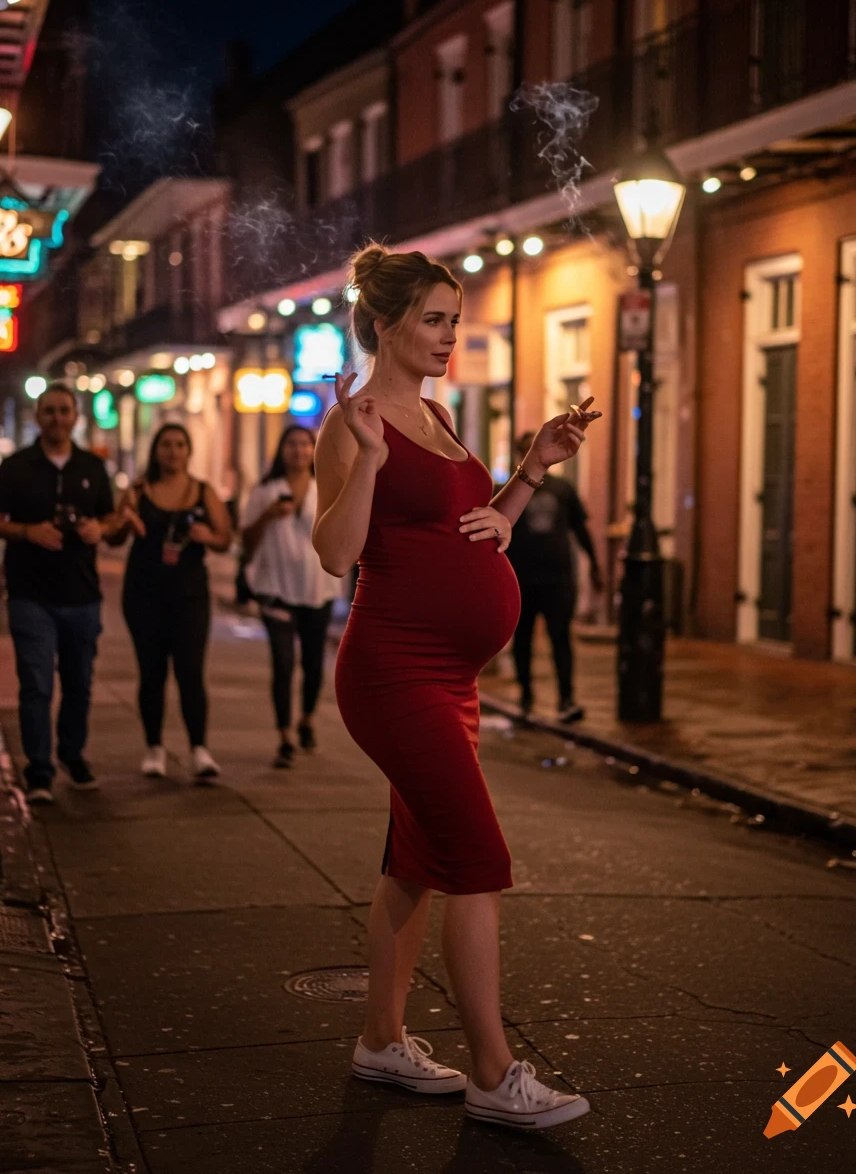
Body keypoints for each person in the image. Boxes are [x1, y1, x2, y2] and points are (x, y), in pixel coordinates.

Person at [313, 243, 598, 1130]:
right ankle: (494, 1073)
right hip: (393, 672)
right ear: (388, 323)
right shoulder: (355, 420)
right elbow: (335, 554)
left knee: (417, 862)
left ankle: (380, 1041)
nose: (447, 337)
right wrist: (364, 456)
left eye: (453, 322)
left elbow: (476, 530)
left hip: (451, 678)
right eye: (433, 320)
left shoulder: (439, 413)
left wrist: (529, 473)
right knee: (475, 858)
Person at [0, 382, 116, 804]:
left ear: (76, 416)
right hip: (30, 593)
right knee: (35, 684)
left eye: (64, 411)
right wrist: (27, 531)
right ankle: (39, 770)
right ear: (38, 416)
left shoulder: (92, 467)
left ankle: (72, 754)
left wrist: (98, 529)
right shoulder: (15, 467)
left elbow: (111, 520)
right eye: (49, 411)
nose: (57, 418)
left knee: (79, 682)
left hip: (81, 594)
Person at [109, 424, 231, 783]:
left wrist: (209, 536)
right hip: (144, 593)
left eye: (180, 445)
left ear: (189, 451)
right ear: (156, 450)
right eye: (166, 445)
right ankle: (154, 748)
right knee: (152, 672)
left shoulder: (203, 491)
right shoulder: (138, 490)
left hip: (189, 594)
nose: (173, 451)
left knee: (191, 671)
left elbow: (225, 538)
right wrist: (126, 522)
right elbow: (114, 536)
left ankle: (199, 749)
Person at [240, 425, 342, 765]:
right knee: (282, 663)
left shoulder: (325, 489)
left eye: (304, 445)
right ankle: (284, 734)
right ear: (281, 451)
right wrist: (267, 516)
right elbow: (247, 542)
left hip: (318, 589)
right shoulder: (265, 492)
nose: (298, 451)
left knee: (313, 663)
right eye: (291, 445)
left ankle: (307, 719)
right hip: (276, 589)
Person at [506, 430, 603, 724]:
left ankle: (566, 698)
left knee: (561, 638)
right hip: (520, 578)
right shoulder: (509, 489)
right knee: (522, 639)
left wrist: (595, 565)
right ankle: (525, 696)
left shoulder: (563, 489)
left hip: (558, 578)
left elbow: (580, 529)